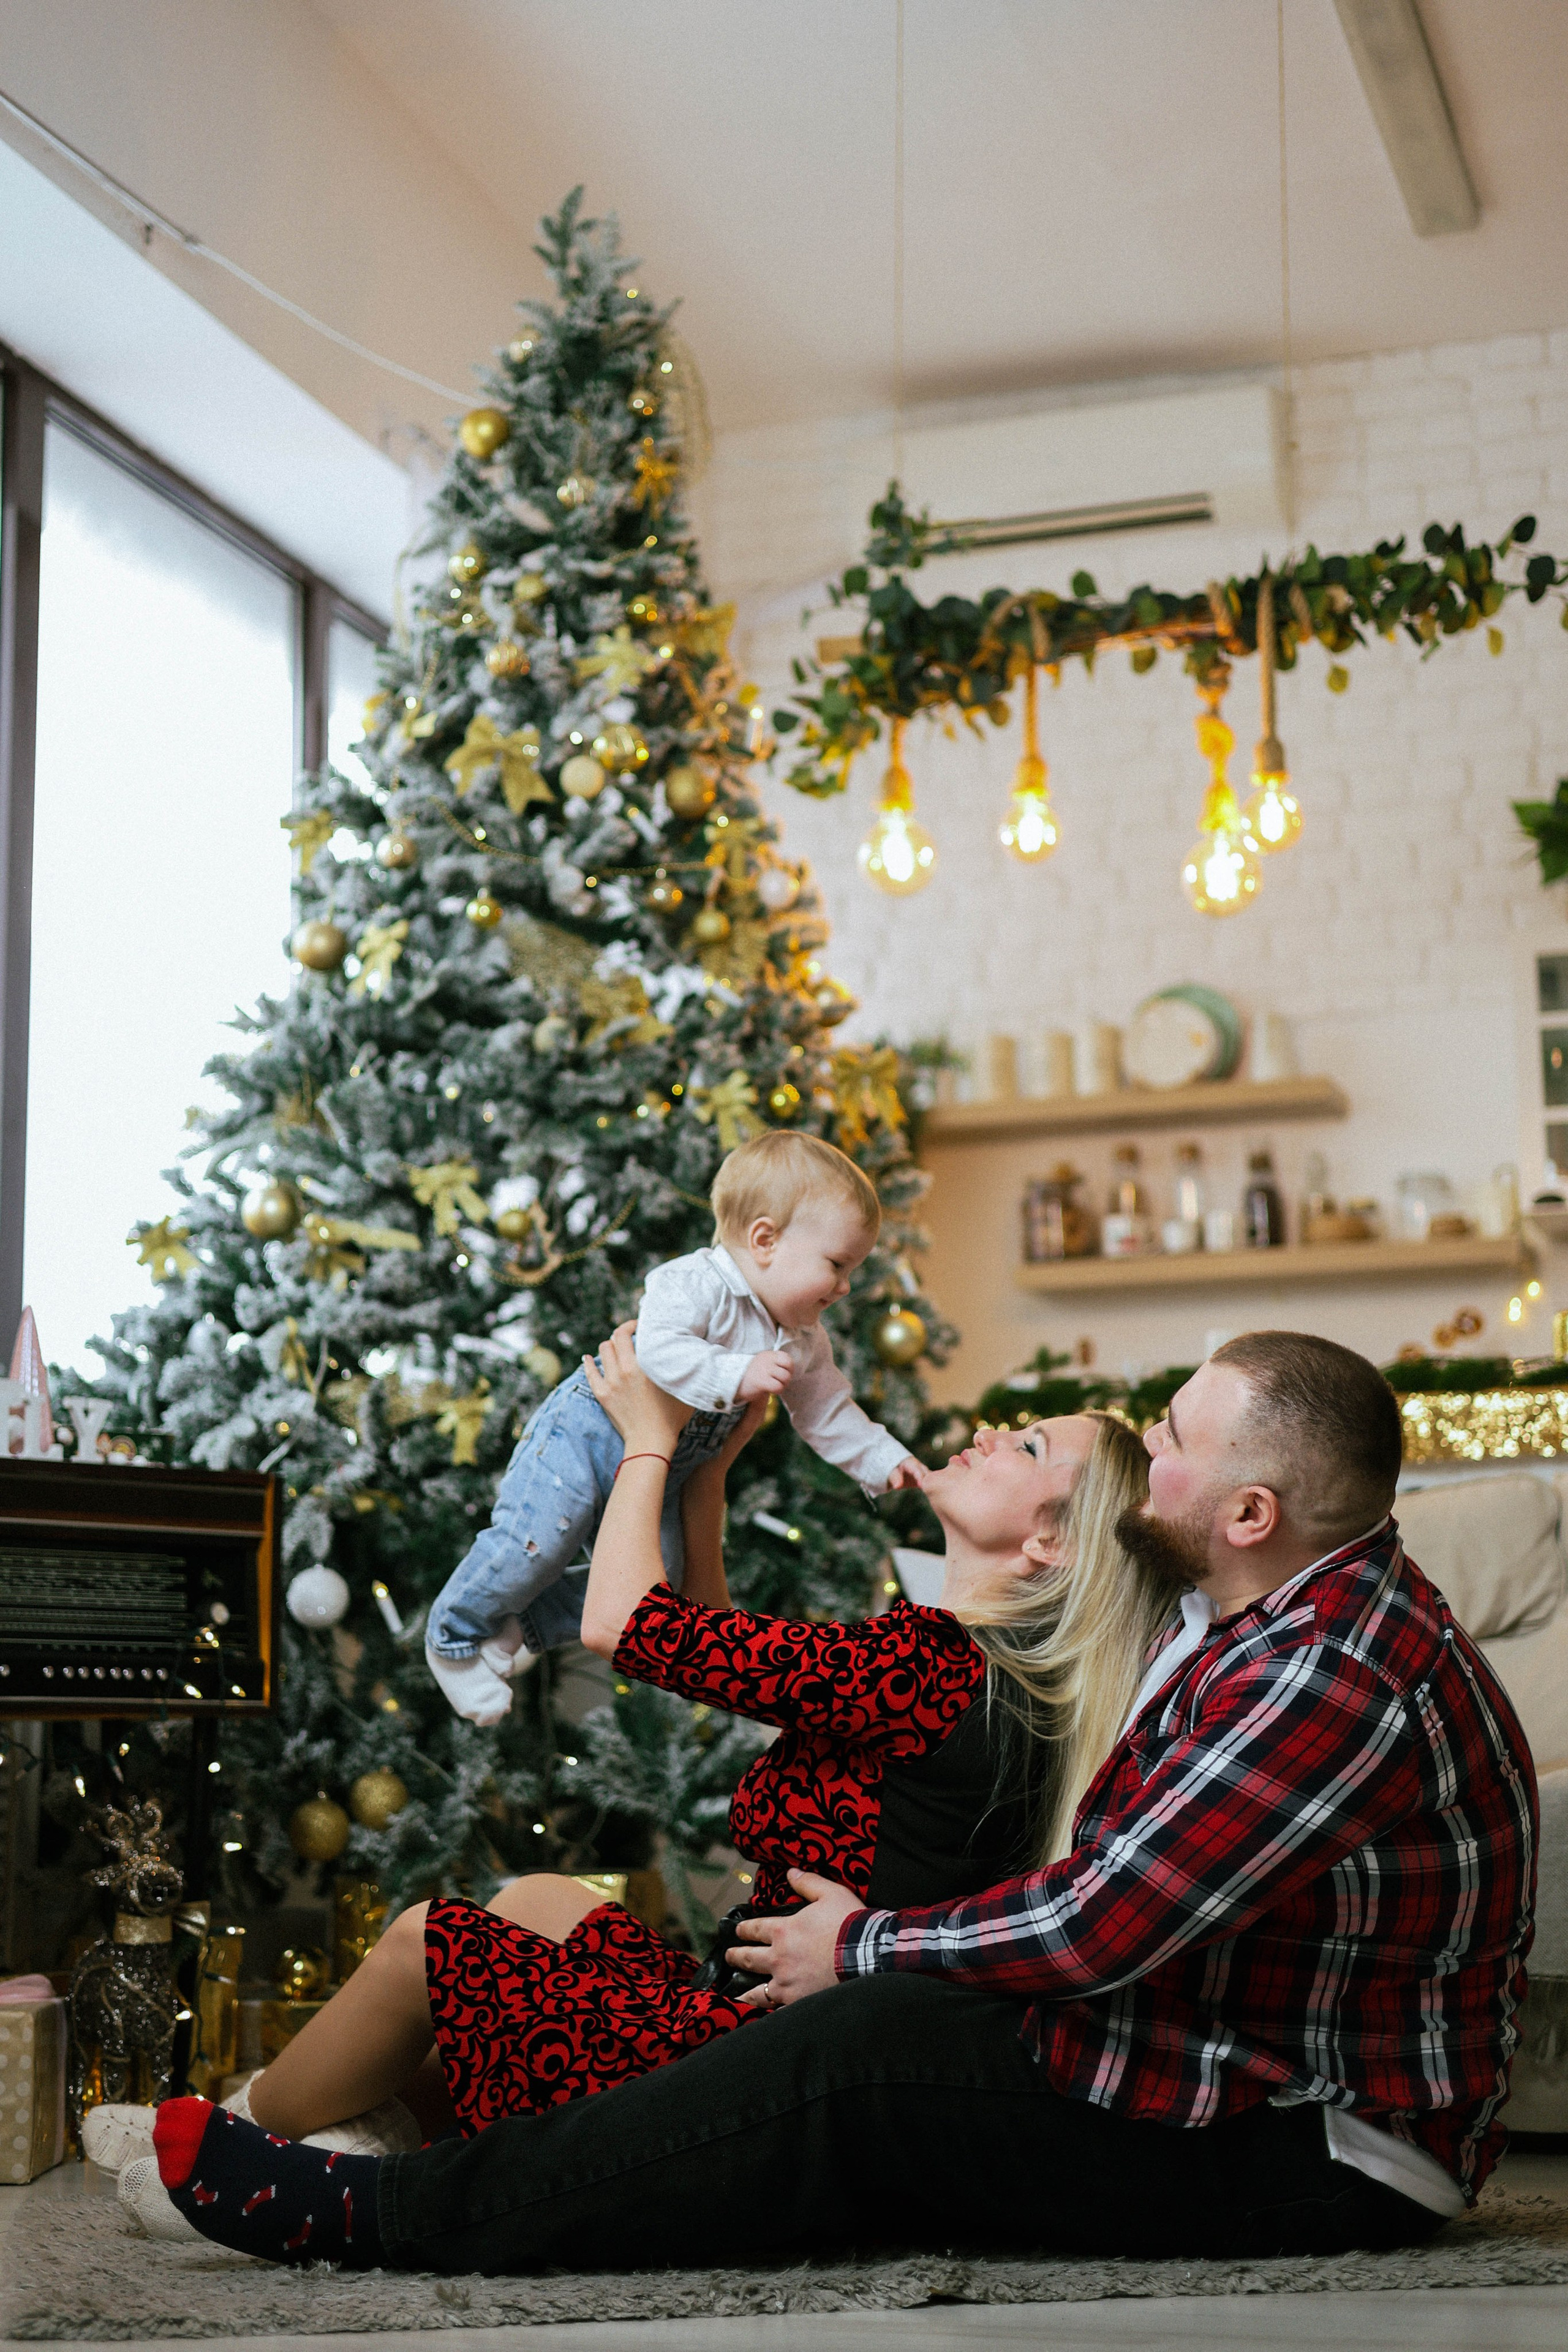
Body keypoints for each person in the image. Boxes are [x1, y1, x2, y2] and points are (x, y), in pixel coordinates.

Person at [145, 1330, 1536, 2274]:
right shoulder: (1246, 1619)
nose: (1139, 1452)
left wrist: (861, 1944)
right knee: (853, 2033)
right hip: (1220, 2061)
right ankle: (470, 2155)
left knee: (858, 2048)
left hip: (1317, 2145)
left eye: (1165, 1436)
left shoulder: (1324, 1668)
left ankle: (382, 2212)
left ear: (1245, 1513)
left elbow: (1101, 1917)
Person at [113, 1332, 1167, 2241]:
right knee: (530, 1899)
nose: (993, 1434)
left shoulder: (931, 1666)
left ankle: (236, 2132)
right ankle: (343, 2128)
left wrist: (649, 1437)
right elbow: (730, 1666)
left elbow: (627, 1626)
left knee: (424, 1940)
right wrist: (707, 1485)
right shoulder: (968, 1673)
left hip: (742, 2065)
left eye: (1028, 1447)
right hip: (746, 2014)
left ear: (1047, 1545)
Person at [424, 1133, 924, 1725]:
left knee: (657, 1594)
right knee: (534, 1542)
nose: (844, 1287)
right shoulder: (697, 1282)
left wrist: (883, 1458)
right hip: (587, 1433)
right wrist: (738, 1373)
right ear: (764, 1240)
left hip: (665, 1468)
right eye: (836, 1265)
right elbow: (659, 1351)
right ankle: (453, 1636)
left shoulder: (802, 1339)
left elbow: (827, 1410)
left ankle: (517, 1624)